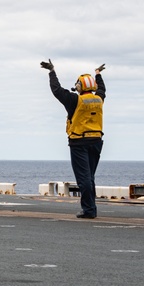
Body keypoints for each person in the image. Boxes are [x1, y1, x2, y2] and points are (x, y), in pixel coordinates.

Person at [41, 60, 106, 218]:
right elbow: (102, 89)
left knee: (83, 178)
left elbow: (57, 90)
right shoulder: (99, 99)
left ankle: (89, 210)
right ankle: (91, 208)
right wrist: (98, 74)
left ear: (80, 86)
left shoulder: (75, 100)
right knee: (90, 177)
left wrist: (52, 71)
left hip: (79, 142)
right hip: (96, 141)